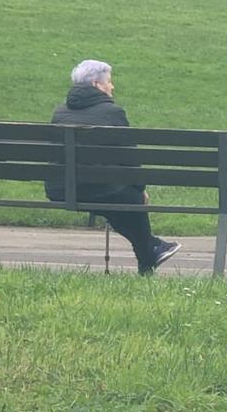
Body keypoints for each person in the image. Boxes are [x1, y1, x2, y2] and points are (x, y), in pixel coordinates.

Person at [45, 59, 181, 275]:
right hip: (99, 188)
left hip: (61, 189)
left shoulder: (60, 112)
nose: (112, 86)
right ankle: (149, 254)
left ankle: (152, 249)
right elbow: (130, 158)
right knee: (131, 199)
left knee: (115, 202)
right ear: (97, 85)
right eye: (109, 81)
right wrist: (141, 188)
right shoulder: (112, 113)